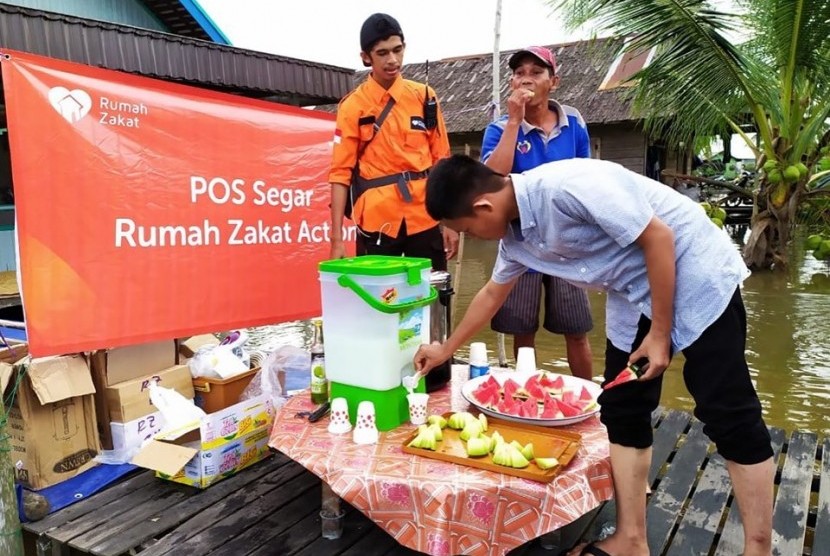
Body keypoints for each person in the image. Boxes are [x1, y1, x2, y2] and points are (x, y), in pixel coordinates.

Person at [415, 155, 774, 556]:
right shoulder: (515, 239)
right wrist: (445, 349)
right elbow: (491, 295)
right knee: (622, 406)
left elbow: (660, 239)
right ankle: (631, 539)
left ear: (483, 206)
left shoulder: (569, 186)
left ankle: (757, 548)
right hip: (633, 290)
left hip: (695, 272)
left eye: (467, 230)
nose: (474, 238)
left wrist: (659, 334)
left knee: (728, 412)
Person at [481, 45, 593, 379]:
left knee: (576, 329)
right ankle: (526, 395)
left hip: (568, 243)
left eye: (535, 72)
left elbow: (587, 177)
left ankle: (591, 406)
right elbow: (491, 179)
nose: (525, 79)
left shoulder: (573, 122)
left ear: (553, 81)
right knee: (522, 330)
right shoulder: (500, 129)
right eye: (519, 73)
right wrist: (515, 121)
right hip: (523, 243)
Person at [328, 12, 458, 270]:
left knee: (432, 301)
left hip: (425, 216)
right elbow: (340, 174)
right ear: (366, 57)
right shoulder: (352, 106)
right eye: (383, 53)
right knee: (377, 304)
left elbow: (442, 161)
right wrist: (336, 239)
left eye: (397, 50)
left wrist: (451, 223)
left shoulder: (424, 97)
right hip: (376, 221)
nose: (393, 60)